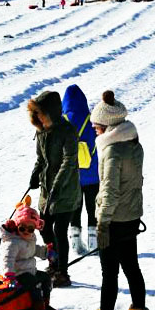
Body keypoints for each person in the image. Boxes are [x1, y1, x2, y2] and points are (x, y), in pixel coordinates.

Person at [81, 90, 150, 310]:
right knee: (132, 266)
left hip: (113, 220)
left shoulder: (111, 151)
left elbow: (109, 190)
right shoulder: (134, 144)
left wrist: (102, 222)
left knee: (109, 272)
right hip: (131, 217)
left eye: (97, 126)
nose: (95, 130)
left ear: (108, 125)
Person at [28, 91, 81, 287]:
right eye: (36, 114)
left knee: (60, 230)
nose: (38, 117)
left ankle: (62, 272)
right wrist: (35, 174)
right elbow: (41, 160)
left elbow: (69, 162)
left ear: (51, 112)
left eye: (40, 113)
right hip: (46, 190)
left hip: (66, 190)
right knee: (44, 227)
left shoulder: (67, 131)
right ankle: (54, 262)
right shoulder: (41, 131)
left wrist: (57, 186)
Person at [0, 195, 57, 310]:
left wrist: (46, 252)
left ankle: (45, 305)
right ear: (16, 226)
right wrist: (9, 275)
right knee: (34, 285)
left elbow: (33, 249)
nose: (26, 231)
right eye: (22, 228)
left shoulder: (30, 238)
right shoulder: (12, 242)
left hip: (29, 270)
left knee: (45, 278)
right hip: (17, 274)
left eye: (30, 229)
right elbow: (7, 259)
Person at [62, 84, 99, 255]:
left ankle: (75, 243)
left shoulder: (62, 122)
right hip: (91, 172)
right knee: (92, 207)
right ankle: (93, 242)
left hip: (71, 174)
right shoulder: (90, 119)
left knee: (75, 208)